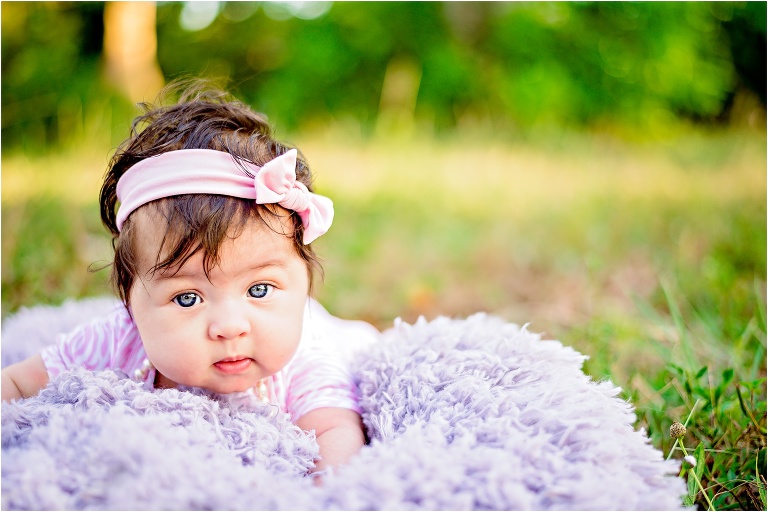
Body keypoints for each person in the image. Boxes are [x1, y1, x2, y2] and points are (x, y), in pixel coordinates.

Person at [1, 82, 379, 474]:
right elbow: (15, 384)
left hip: (339, 334)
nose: (230, 327)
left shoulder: (306, 358)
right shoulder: (116, 337)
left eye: (259, 289)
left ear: (303, 284)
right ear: (130, 302)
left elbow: (336, 432)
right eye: (187, 298)